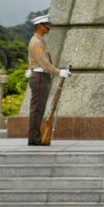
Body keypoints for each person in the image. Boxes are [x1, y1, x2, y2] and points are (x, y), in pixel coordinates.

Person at [26, 14, 71, 146]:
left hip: (42, 77)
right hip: (39, 77)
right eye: (47, 24)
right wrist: (59, 72)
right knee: (37, 109)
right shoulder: (36, 42)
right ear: (40, 26)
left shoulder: (40, 40)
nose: (49, 27)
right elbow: (44, 63)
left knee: (39, 108)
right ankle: (34, 138)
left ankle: (35, 137)